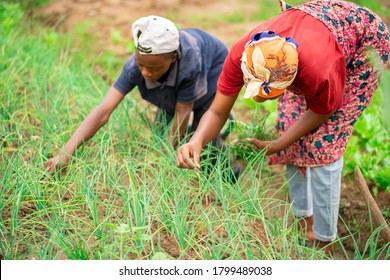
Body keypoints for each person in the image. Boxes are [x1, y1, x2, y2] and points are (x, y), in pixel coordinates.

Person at [176, 0, 390, 255]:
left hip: (364, 42)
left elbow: (323, 110)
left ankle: (324, 240)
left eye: (268, 91)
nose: (257, 98)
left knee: (324, 145)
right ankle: (303, 222)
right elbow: (217, 110)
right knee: (289, 127)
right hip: (314, 25)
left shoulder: (317, 72)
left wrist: (279, 143)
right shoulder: (245, 56)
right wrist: (197, 141)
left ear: (292, 78)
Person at [45, 15, 240, 179]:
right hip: (175, 77)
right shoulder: (134, 67)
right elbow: (103, 110)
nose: (146, 72)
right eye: (141, 65)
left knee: (203, 131)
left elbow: (183, 111)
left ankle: (227, 171)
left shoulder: (189, 62)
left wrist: (161, 158)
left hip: (213, 67)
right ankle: (184, 139)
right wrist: (65, 153)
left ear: (173, 58)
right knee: (161, 129)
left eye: (153, 68)